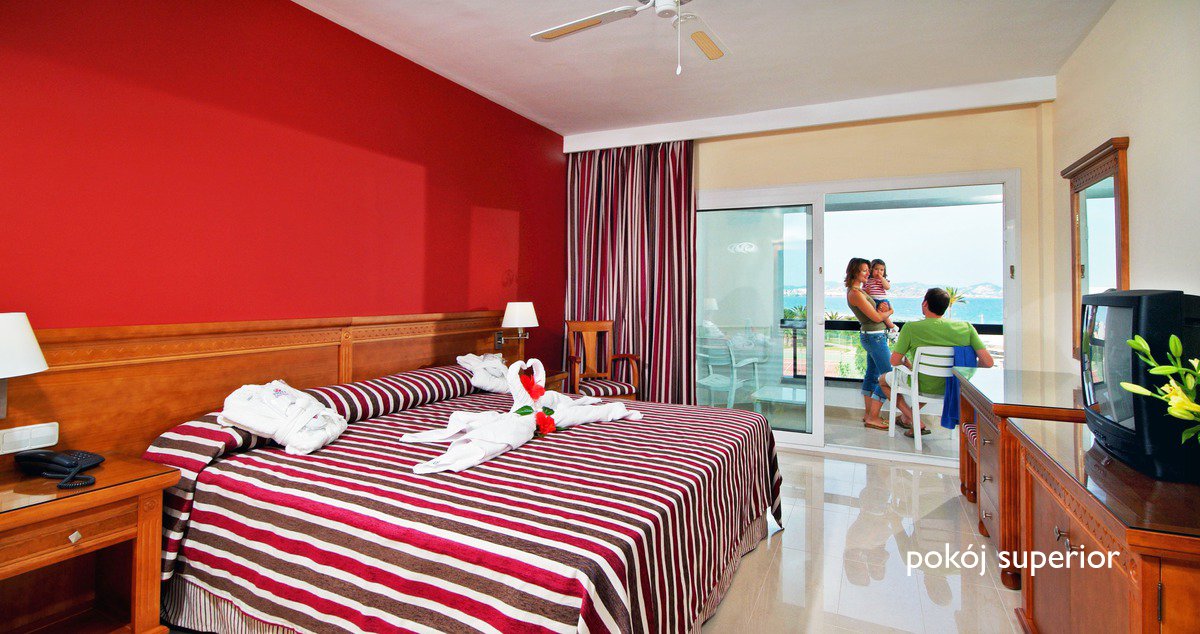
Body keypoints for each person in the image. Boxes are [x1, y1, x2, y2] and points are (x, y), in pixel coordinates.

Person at [880, 288, 995, 436]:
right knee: (930, 379)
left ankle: (914, 420)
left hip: (923, 383)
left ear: (925, 303)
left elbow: (895, 361)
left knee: (883, 380)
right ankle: (906, 418)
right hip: (952, 385)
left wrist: (909, 365)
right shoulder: (966, 328)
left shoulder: (911, 328)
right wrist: (966, 372)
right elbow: (988, 362)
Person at [845, 257, 895, 430]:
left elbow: (875, 312)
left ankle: (869, 415)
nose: (869, 273)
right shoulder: (855, 293)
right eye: (865, 270)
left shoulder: (859, 291)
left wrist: (882, 311)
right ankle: (873, 417)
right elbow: (876, 317)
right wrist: (890, 311)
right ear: (855, 272)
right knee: (889, 376)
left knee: (872, 375)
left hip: (873, 336)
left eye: (868, 270)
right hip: (875, 337)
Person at [862, 259, 897, 332]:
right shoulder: (867, 280)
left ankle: (892, 327)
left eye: (881, 270)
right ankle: (891, 327)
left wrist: (882, 278)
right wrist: (866, 291)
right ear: (871, 270)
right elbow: (863, 292)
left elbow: (887, 287)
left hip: (882, 300)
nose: (879, 272)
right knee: (878, 316)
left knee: (882, 315)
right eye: (876, 269)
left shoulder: (883, 280)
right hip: (872, 301)